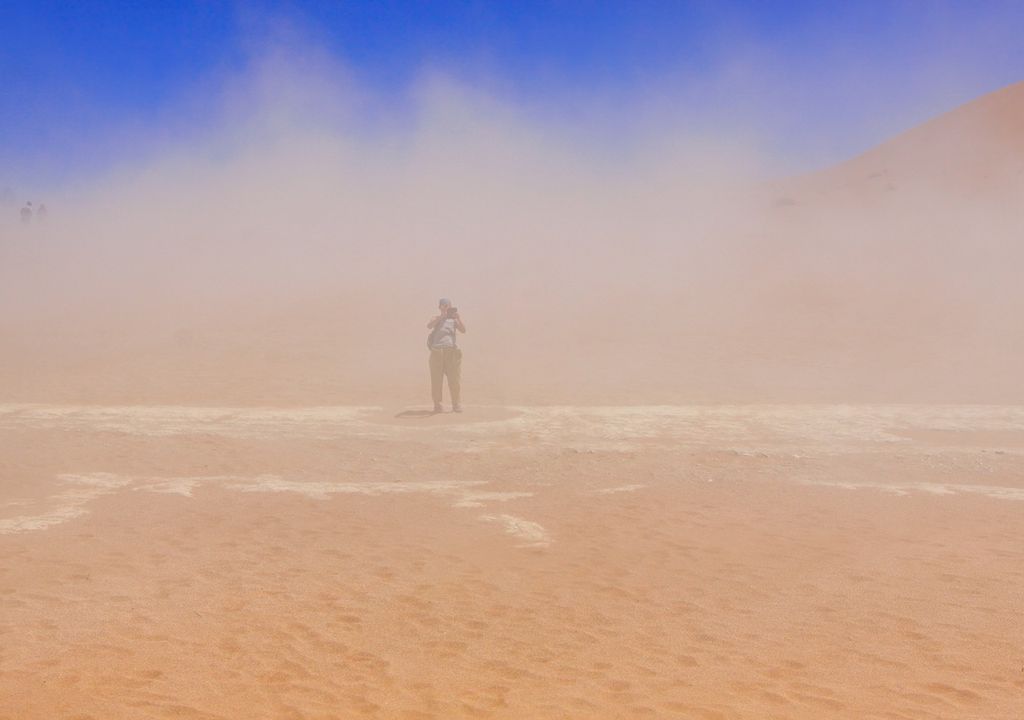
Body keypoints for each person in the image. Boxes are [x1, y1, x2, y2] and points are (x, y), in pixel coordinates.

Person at [426, 298, 466, 413]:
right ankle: (437, 404)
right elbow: (429, 326)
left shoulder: (453, 320)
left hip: (451, 352)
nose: (446, 307)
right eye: (443, 305)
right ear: (439, 307)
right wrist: (441, 316)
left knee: (454, 379)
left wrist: (458, 318)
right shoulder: (436, 318)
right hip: (437, 352)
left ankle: (456, 404)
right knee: (436, 379)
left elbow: (463, 330)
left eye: (448, 306)